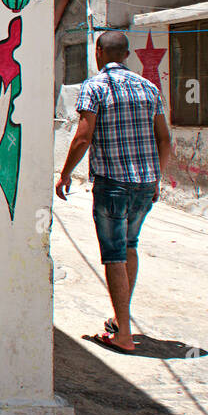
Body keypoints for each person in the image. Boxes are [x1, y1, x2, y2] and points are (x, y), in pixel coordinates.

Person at [56, 31, 172, 352]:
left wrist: (65, 174)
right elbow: (164, 140)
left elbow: (83, 137)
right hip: (144, 184)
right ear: (127, 54)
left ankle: (123, 334)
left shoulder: (94, 87)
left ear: (98, 52)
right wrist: (155, 177)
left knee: (114, 254)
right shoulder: (149, 87)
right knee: (130, 246)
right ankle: (122, 320)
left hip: (113, 184)